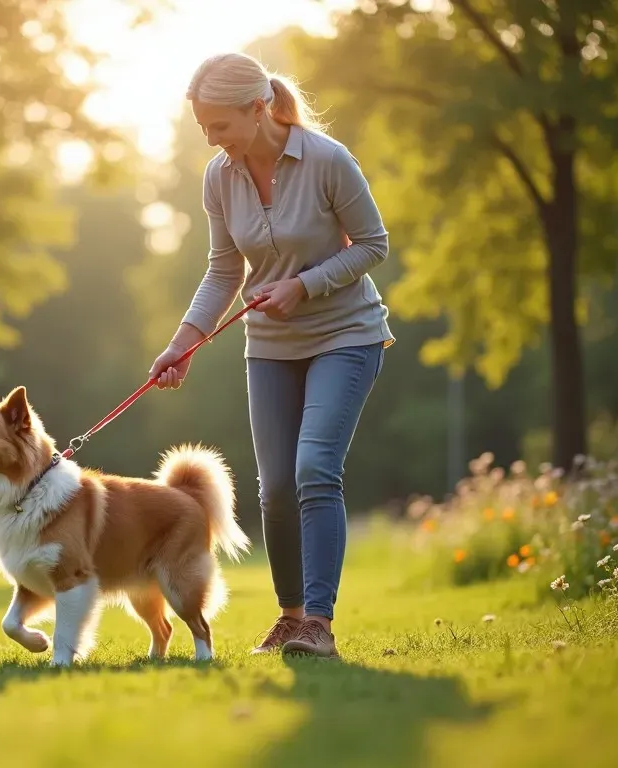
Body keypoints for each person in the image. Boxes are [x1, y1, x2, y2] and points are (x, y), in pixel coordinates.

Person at [148, 52, 394, 658]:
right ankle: (289, 619)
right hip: (271, 347)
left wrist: (302, 285)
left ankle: (319, 622)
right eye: (203, 127)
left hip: (346, 333)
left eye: (220, 125)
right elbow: (223, 270)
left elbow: (373, 244)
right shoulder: (219, 177)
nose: (210, 138)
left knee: (314, 468)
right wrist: (182, 346)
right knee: (276, 486)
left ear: (258, 110)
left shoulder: (327, 161)